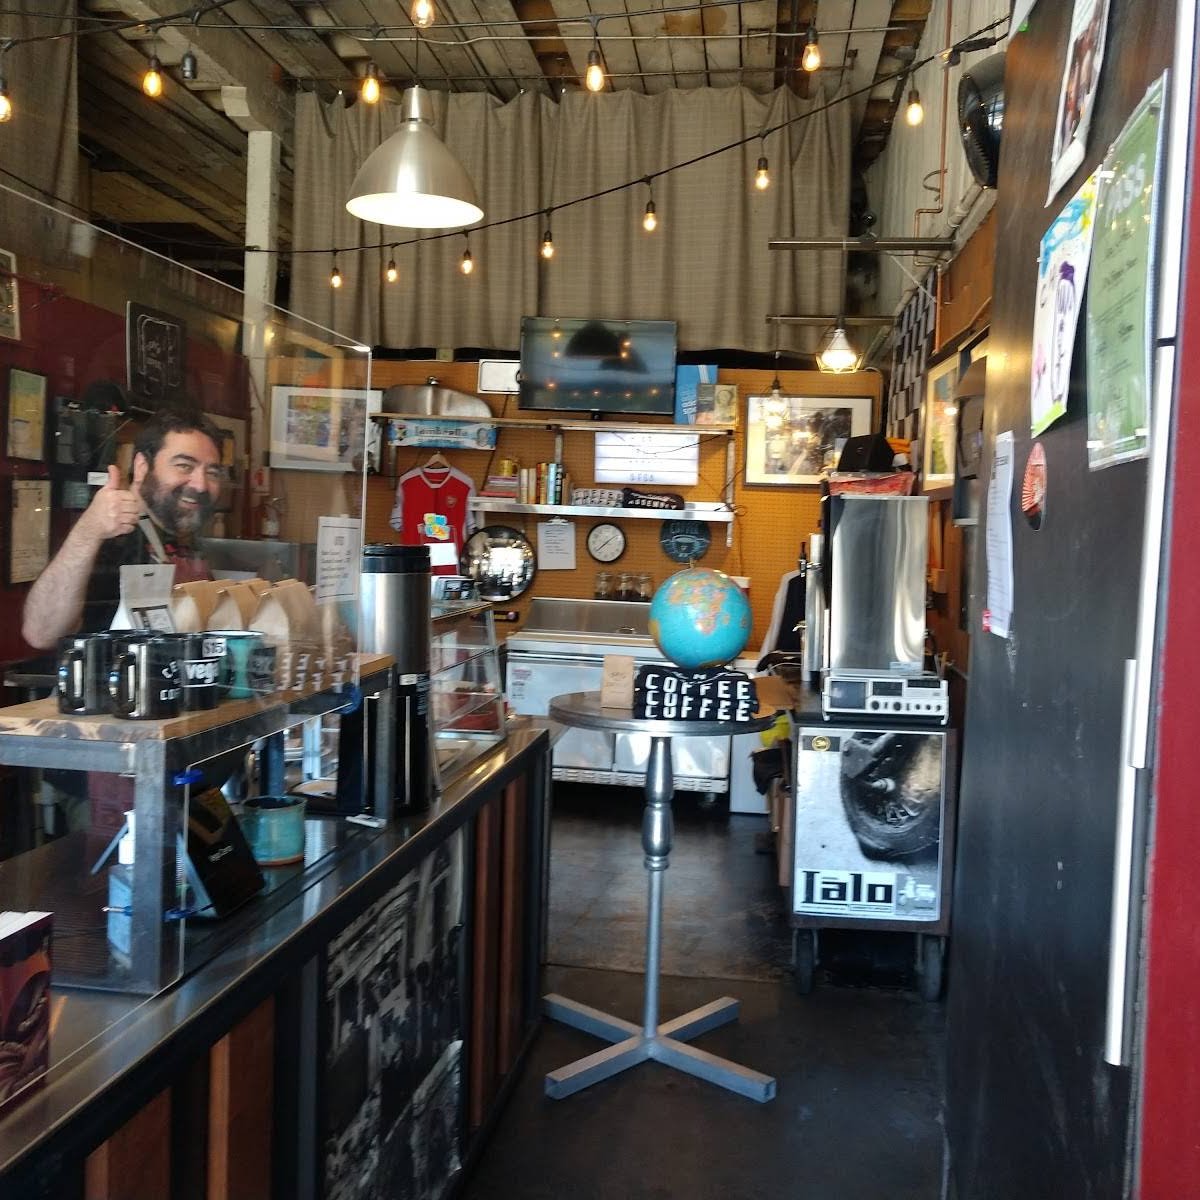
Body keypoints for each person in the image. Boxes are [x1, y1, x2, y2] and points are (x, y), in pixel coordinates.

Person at [22, 406, 225, 650]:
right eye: (184, 466)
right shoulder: (110, 535)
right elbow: (40, 633)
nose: (201, 484)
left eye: (212, 472)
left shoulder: (188, 540)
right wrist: (89, 530)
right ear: (141, 467)